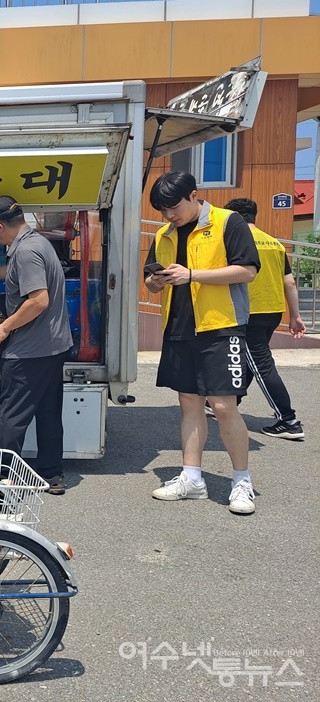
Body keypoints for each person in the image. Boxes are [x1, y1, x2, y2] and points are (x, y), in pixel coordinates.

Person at [144, 172, 260, 515]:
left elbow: (248, 270)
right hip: (179, 326)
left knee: (224, 406)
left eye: (173, 207)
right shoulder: (163, 233)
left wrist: (191, 274)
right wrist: (156, 280)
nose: (168, 216)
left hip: (221, 326)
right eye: (162, 210)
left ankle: (242, 481)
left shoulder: (228, 221)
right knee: (189, 403)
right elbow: (152, 283)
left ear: (195, 195)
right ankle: (191, 477)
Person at [0, 195, 73, 495]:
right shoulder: (37, 243)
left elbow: (38, 300)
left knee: (11, 416)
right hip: (53, 346)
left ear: (0, 226)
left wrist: (4, 327)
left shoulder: (26, 251)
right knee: (47, 413)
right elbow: (12, 275)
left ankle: (5, 481)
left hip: (30, 349)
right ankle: (52, 475)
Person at [221, 197, 306, 440]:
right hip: (273, 311)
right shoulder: (274, 243)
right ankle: (229, 401)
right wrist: (295, 316)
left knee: (261, 364)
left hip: (250, 311)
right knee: (249, 360)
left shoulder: (234, 241)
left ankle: (288, 420)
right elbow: (289, 282)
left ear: (234, 218)